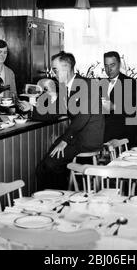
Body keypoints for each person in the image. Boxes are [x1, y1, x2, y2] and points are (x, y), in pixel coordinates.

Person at [36, 51, 105, 190]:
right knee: (43, 166)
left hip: (87, 139)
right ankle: (58, 197)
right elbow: (54, 111)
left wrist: (65, 140)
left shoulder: (88, 85)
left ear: (66, 68)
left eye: (55, 69)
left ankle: (58, 198)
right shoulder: (64, 87)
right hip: (76, 137)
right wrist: (30, 110)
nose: (52, 73)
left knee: (49, 165)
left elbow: (83, 117)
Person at [102, 51, 137, 144]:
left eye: (112, 65)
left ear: (119, 64)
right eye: (106, 65)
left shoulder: (131, 83)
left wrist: (114, 107)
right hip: (102, 136)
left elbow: (135, 112)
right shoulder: (101, 84)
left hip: (122, 137)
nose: (109, 69)